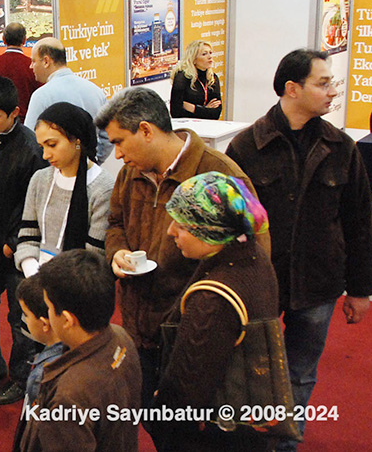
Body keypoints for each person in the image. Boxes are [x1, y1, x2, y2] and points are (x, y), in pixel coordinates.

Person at [226, 48, 372, 451]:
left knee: (300, 374)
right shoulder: (245, 147)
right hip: (259, 283)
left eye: (332, 82)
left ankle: (285, 444)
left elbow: (359, 224)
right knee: (245, 369)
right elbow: (227, 224)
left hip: (319, 283)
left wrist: (361, 289)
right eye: (323, 83)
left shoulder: (342, 147)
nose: (333, 91)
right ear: (292, 89)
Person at [94, 86, 267, 410]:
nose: (116, 154)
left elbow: (254, 256)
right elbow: (115, 223)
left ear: (146, 130)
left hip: (195, 334)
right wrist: (116, 252)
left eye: (119, 141)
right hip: (138, 329)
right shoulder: (130, 173)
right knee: (150, 414)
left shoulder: (220, 174)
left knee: (184, 423)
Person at [152, 172, 277, 451]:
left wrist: (162, 420)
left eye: (181, 225)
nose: (171, 231)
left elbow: (187, 390)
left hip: (212, 435)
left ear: (211, 231)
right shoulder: (254, 257)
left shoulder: (211, 301)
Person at [0, 76, 48, 404]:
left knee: (21, 318)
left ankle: (20, 379)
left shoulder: (32, 148)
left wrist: (13, 241)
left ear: (15, 112)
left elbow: (34, 202)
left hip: (18, 248)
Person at [14, 249, 141, 452]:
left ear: (67, 319)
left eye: (48, 307)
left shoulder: (69, 396)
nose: (47, 314)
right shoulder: (120, 335)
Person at [15, 102, 114, 274]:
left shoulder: (102, 188)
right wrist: (31, 269)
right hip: (38, 277)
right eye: (42, 147)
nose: (45, 155)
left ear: (77, 141)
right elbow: (28, 238)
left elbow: (94, 256)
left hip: (80, 281)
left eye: (52, 144)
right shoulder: (40, 179)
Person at [26, 37, 113, 164]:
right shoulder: (96, 91)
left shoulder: (41, 96)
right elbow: (107, 135)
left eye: (33, 61)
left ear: (46, 61)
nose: (31, 66)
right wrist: (93, 161)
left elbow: (30, 140)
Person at [0, 23, 41, 119]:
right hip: (26, 121)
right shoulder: (33, 66)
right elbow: (41, 98)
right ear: (25, 40)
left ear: (3, 39)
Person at [15, 273, 64, 407]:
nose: (25, 320)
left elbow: (36, 416)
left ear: (44, 324)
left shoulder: (41, 377)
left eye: (26, 315)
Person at [169, 40, 222, 119]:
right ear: (194, 59)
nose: (210, 57)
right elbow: (176, 112)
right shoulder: (182, 77)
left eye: (210, 53)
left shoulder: (212, 78)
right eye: (204, 54)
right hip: (187, 125)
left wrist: (193, 108)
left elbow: (216, 114)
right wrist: (206, 110)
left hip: (208, 124)